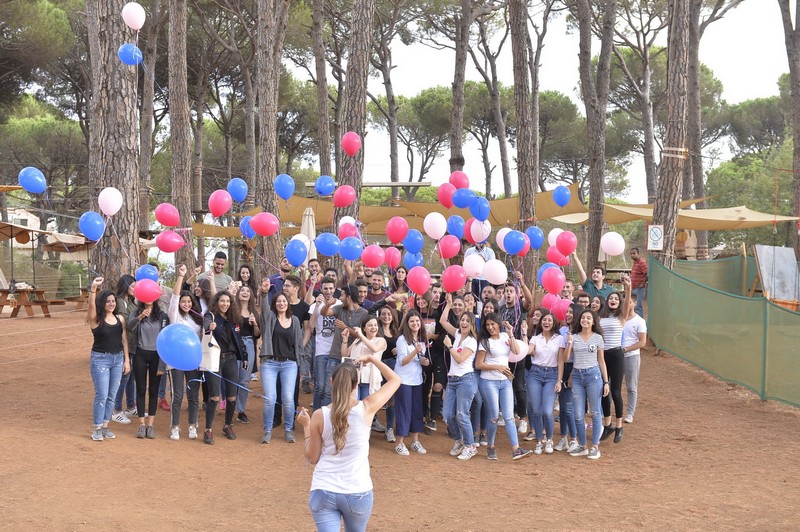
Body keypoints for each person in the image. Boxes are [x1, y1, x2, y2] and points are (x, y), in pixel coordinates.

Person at [296, 354, 401, 532]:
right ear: (356, 384)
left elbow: (312, 457)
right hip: (357, 491)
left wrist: (306, 426)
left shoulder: (319, 415)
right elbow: (395, 379)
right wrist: (372, 359)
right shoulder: (367, 408)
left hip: (324, 489)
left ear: (331, 381)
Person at [475, 312, 533, 460]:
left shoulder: (505, 337)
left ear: (498, 323)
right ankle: (490, 446)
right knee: (494, 415)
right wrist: (498, 367)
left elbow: (517, 351)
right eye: (487, 325)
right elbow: (479, 364)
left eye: (492, 324)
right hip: (488, 381)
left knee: (509, 416)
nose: (490, 327)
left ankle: (516, 449)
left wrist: (510, 333)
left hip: (505, 381)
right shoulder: (484, 341)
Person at [87, 277, 131, 441]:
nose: (111, 304)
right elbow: (91, 307)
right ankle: (97, 428)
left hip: (117, 359)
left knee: (112, 395)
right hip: (100, 360)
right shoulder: (96, 320)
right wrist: (93, 289)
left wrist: (126, 360)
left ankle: (105, 426)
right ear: (102, 303)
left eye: (113, 301)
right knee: (102, 395)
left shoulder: (120, 319)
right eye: (108, 301)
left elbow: (124, 339)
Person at [562, 308, 609, 460]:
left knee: (595, 412)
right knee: (578, 414)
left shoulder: (598, 338)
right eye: (583, 318)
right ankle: (582, 445)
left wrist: (606, 381)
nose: (585, 320)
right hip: (577, 376)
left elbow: (601, 361)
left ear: (593, 321)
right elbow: (565, 358)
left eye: (589, 318)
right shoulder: (573, 337)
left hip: (593, 376)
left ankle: (594, 446)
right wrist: (569, 344)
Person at [203, 290, 248, 444]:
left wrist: (245, 357)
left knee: (231, 397)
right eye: (222, 301)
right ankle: (208, 430)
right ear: (217, 302)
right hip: (214, 358)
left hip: (230, 358)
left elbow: (239, 340)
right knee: (215, 397)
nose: (225, 304)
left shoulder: (234, 320)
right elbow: (205, 325)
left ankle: (227, 425)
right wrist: (210, 326)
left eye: (228, 302)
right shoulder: (211, 316)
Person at [259, 292, 304, 444]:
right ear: (274, 304)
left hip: (289, 363)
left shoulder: (295, 321)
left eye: (284, 301)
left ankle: (288, 430)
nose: (281, 303)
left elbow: (298, 344)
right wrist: (264, 294)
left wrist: (301, 366)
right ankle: (267, 430)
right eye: (278, 301)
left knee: (288, 398)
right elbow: (264, 310)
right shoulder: (270, 318)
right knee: (270, 398)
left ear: (288, 303)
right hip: (269, 363)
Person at [439, 295, 479, 461]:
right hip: (453, 380)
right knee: (448, 415)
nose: (463, 323)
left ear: (471, 325)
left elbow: (460, 359)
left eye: (466, 321)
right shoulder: (456, 334)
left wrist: (449, 346)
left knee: (462, 414)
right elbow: (443, 321)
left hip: (466, 380)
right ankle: (459, 441)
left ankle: (470, 446)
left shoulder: (472, 341)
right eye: (462, 320)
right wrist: (448, 305)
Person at [167, 264, 204, 440]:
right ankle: (175, 427)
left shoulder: (198, 318)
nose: (186, 304)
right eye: (183, 302)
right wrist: (181, 276)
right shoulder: (175, 316)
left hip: (193, 361)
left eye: (189, 302)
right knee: (177, 395)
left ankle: (192, 426)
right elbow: (174, 296)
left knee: (193, 395)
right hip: (175, 361)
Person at [127, 294, 168, 439]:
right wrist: (140, 317)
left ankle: (150, 425)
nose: (148, 298)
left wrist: (163, 364)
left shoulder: (162, 316)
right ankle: (141, 425)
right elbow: (129, 327)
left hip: (157, 356)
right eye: (146, 296)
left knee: (154, 390)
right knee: (140, 389)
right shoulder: (136, 312)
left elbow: (166, 339)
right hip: (140, 354)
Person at [522, 311, 563, 455]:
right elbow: (528, 351)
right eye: (544, 320)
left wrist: (559, 380)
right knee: (536, 410)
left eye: (549, 320)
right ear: (541, 323)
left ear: (554, 323)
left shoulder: (559, 339)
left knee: (547, 411)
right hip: (535, 374)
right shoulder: (535, 338)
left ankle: (550, 439)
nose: (546, 322)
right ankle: (539, 441)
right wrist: (523, 335)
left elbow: (560, 360)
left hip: (552, 375)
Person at [598, 275, 632, 444]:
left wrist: (628, 287)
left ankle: (619, 426)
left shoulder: (622, 317)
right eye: (610, 298)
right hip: (602, 355)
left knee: (616, 392)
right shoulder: (600, 317)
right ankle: (607, 425)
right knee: (603, 391)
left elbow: (627, 303)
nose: (613, 300)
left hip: (617, 355)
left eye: (615, 299)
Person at [393, 309, 430, 456]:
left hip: (417, 380)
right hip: (403, 380)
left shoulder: (422, 340)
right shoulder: (402, 340)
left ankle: (415, 441)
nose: (415, 323)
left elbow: (417, 360)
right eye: (411, 321)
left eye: (417, 321)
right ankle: (399, 443)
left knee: (417, 410)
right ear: (407, 324)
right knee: (404, 409)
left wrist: (424, 361)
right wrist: (415, 351)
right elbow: (402, 361)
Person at [310, 277, 341, 410]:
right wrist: (317, 306)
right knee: (320, 386)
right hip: (321, 350)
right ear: (321, 289)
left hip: (336, 352)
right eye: (325, 288)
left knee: (329, 388)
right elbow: (311, 326)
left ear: (334, 289)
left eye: (330, 288)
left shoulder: (340, 304)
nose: (328, 291)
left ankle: (326, 417)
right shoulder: (315, 305)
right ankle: (316, 414)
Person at [341, 315, 387, 401]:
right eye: (370, 325)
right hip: (354, 378)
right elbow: (345, 354)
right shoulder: (357, 340)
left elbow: (375, 349)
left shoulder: (380, 340)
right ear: (364, 328)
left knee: (366, 406)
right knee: (353, 405)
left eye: (375, 325)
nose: (373, 327)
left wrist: (361, 336)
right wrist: (345, 339)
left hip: (369, 380)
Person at [111, 275, 137, 424]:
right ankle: (116, 410)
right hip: (124, 344)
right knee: (123, 378)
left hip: (134, 344)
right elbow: (126, 323)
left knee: (131, 378)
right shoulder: (120, 302)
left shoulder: (131, 302)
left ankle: (131, 406)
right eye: (133, 285)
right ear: (125, 286)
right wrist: (140, 317)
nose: (135, 288)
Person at [234, 283, 260, 425]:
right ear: (238, 294)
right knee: (233, 377)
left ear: (251, 295)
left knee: (244, 379)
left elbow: (257, 334)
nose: (244, 293)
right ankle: (230, 406)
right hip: (234, 344)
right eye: (242, 290)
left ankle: (240, 411)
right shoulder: (232, 310)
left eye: (247, 291)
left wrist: (255, 323)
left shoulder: (254, 312)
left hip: (249, 343)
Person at [622, 293, 647, 423]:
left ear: (635, 303)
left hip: (631, 356)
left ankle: (630, 413)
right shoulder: (618, 319)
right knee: (611, 384)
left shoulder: (639, 321)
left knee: (631, 386)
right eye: (625, 301)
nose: (627, 304)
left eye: (629, 302)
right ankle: (607, 411)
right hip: (617, 357)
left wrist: (626, 349)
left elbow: (642, 342)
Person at [376, 304, 400, 442]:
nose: (386, 316)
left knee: (391, 400)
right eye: (384, 314)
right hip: (377, 365)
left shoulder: (396, 332)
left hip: (392, 366)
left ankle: (389, 428)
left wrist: (399, 351)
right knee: (373, 395)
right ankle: (371, 422)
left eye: (389, 314)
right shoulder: (377, 329)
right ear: (379, 316)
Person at [630, 247, 648, 317]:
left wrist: (643, 283)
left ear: (638, 254)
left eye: (634, 253)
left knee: (638, 306)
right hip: (634, 288)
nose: (632, 255)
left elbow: (647, 273)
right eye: (631, 254)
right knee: (633, 306)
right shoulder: (635, 263)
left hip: (640, 289)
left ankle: (641, 324)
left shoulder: (642, 263)